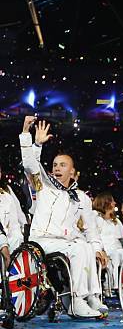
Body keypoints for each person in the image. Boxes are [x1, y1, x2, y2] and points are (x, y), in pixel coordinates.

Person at [19, 116, 108, 317]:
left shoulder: (82, 197)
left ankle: (92, 296)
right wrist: (31, 139)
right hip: (42, 241)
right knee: (78, 248)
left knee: (85, 246)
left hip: (67, 242)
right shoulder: (44, 187)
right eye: (55, 165)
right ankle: (76, 301)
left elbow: (91, 229)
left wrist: (98, 249)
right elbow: (30, 165)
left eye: (62, 165)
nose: (57, 168)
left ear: (73, 172)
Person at [93, 192, 123, 291]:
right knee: (114, 255)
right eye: (112, 201)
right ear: (106, 203)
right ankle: (112, 286)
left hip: (117, 250)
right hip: (104, 251)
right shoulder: (96, 219)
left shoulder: (116, 221)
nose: (114, 203)